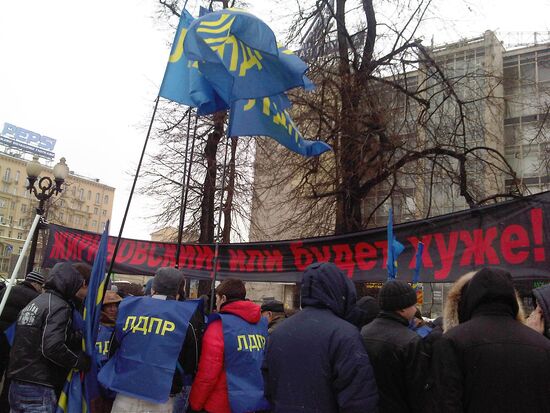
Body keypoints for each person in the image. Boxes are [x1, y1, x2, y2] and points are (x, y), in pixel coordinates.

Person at [264, 262, 378, 413]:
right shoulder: (345, 335)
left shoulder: (278, 333)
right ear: (340, 291)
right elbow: (359, 401)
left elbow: (268, 388)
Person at [432, 267, 550, 412]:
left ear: (470, 297)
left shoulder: (452, 341)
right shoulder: (543, 345)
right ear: (513, 298)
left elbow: (446, 402)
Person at [98, 267, 203, 413]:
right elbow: (190, 363)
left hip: (125, 392)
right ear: (178, 291)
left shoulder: (129, 308)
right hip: (162, 397)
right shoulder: (186, 317)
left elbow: (112, 350)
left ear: (153, 288)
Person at [6, 262, 91, 413]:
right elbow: (52, 347)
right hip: (39, 385)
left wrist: (73, 337)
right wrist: (78, 361)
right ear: (70, 283)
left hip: (17, 382)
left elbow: (37, 337)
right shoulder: (60, 306)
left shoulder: (36, 302)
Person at [189, 278, 270, 413]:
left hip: (221, 404)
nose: (215, 302)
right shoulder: (261, 325)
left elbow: (208, 374)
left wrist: (195, 404)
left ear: (224, 298)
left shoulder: (218, 326)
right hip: (253, 402)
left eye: (217, 298)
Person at [361, 279, 428, 413]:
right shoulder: (411, 340)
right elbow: (418, 390)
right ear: (402, 307)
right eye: (413, 305)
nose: (415, 310)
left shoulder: (363, 332)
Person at [0, 271, 44, 412]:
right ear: (35, 284)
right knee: (9, 375)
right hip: (15, 341)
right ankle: (4, 406)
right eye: (40, 285)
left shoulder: (8, 289)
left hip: (0, 336)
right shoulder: (36, 298)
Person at [92, 290, 122, 413]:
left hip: (115, 388)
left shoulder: (121, 329)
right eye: (109, 305)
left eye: (115, 305)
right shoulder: (94, 329)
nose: (113, 309)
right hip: (96, 387)